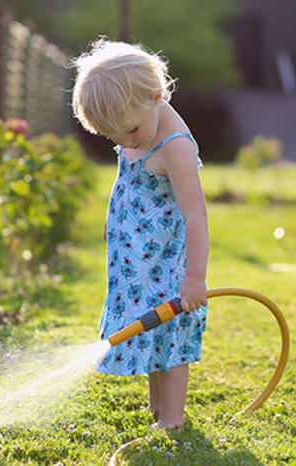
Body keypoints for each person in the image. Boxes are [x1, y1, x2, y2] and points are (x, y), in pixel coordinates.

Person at [70, 38, 209, 430]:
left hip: (166, 261)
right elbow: (129, 178)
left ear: (156, 95)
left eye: (130, 131)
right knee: (148, 324)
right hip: (136, 258)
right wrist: (114, 221)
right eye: (114, 138)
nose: (127, 143)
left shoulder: (174, 147)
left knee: (171, 332)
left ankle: (172, 418)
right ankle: (156, 406)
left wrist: (194, 278)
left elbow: (196, 216)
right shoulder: (137, 122)